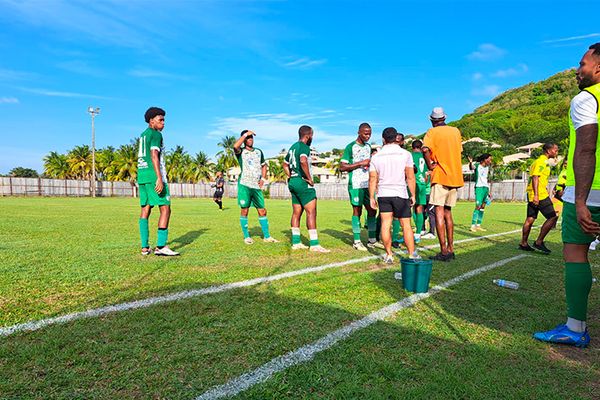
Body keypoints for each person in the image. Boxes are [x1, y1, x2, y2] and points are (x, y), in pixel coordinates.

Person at [533, 43, 600, 348]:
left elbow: (586, 147)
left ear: (598, 68)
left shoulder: (586, 99)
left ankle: (575, 327)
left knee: (575, 255)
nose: (577, 70)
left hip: (589, 192)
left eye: (582, 64)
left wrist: (582, 201)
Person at [369, 127, 419, 264]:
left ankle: (389, 254)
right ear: (396, 138)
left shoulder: (376, 156)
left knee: (386, 224)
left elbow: (373, 179)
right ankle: (411, 254)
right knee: (406, 225)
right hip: (400, 194)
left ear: (383, 139)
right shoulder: (405, 154)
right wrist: (413, 195)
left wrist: (372, 197)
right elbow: (410, 177)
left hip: (384, 194)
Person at [422, 107, 464, 261]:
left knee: (438, 212)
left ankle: (444, 251)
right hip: (455, 176)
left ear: (432, 120)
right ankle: (451, 249)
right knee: (448, 213)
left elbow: (425, 149)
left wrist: (430, 165)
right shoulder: (455, 131)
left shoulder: (432, 132)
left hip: (440, 175)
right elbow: (458, 151)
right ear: (444, 118)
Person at [136, 107, 179, 256]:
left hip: (142, 176)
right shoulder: (155, 134)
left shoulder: (143, 135)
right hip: (154, 176)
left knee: (145, 209)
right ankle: (161, 246)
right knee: (165, 208)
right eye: (160, 120)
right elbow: (154, 155)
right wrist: (159, 178)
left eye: (164, 120)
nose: (163, 123)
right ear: (151, 120)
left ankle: (144, 247)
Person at [283, 125, 330, 253]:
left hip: (293, 181)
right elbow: (303, 161)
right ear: (308, 135)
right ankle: (314, 244)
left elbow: (285, 164)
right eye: (312, 135)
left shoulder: (293, 147)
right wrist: (309, 178)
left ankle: (296, 242)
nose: (312, 138)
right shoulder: (304, 147)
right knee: (311, 212)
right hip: (302, 182)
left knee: (296, 212)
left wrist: (290, 176)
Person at [233, 130, 278, 244]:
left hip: (256, 186)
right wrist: (245, 134)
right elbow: (235, 146)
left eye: (251, 137)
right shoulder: (240, 151)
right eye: (248, 138)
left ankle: (267, 237)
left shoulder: (259, 152)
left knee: (262, 211)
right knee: (245, 210)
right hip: (245, 185)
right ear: (244, 139)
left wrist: (263, 178)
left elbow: (264, 166)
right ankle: (247, 237)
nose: (250, 139)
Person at [340, 123, 378, 251]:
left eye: (369, 134)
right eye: (365, 133)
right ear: (359, 132)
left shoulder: (368, 147)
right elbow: (342, 167)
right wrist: (361, 163)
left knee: (372, 210)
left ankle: (372, 239)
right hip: (356, 184)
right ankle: (357, 241)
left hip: (368, 184)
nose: (368, 136)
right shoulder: (350, 147)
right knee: (357, 210)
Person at [518, 143, 559, 254]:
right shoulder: (541, 162)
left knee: (530, 218)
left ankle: (524, 243)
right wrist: (536, 195)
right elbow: (535, 177)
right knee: (552, 217)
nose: (556, 152)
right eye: (555, 150)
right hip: (539, 195)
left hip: (534, 193)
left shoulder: (540, 162)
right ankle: (539, 242)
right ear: (548, 150)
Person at [469, 153, 493, 232]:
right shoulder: (477, 165)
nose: (490, 161)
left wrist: (488, 190)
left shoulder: (487, 168)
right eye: (489, 159)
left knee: (483, 207)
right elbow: (471, 168)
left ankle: (478, 225)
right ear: (485, 159)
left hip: (485, 188)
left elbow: (485, 179)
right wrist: (470, 162)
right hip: (479, 188)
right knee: (478, 206)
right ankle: (472, 225)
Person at [411, 140, 428, 243]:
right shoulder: (425, 157)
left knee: (410, 207)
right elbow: (428, 172)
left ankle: (408, 232)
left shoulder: (409, 155)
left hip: (412, 183)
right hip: (422, 183)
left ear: (412, 147)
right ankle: (418, 233)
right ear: (421, 147)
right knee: (419, 208)